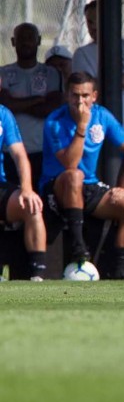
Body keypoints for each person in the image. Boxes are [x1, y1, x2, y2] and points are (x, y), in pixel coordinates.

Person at [40, 72, 124, 279]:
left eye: (85, 95)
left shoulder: (103, 115)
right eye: (75, 95)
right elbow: (70, 163)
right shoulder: (54, 122)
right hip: (57, 188)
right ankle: (79, 247)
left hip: (89, 185)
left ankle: (119, 276)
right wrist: (82, 127)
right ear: (67, 95)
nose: (80, 101)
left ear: (94, 96)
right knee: (74, 175)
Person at [72, 0, 124, 123]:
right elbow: (89, 89)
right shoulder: (82, 54)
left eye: (99, 20)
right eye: (90, 22)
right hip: (105, 125)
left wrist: (108, 80)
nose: (94, 26)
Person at [0, 22, 63, 190]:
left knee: (40, 202)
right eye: (21, 38)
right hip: (9, 151)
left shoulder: (50, 73)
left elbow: (50, 109)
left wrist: (17, 104)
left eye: (30, 38)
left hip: (42, 150)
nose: (25, 42)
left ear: (39, 40)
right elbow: (5, 106)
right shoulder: (3, 73)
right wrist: (36, 100)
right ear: (13, 42)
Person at [0, 82, 46, 281]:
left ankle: (37, 275)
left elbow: (20, 155)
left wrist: (27, 189)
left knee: (32, 206)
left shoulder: (4, 115)